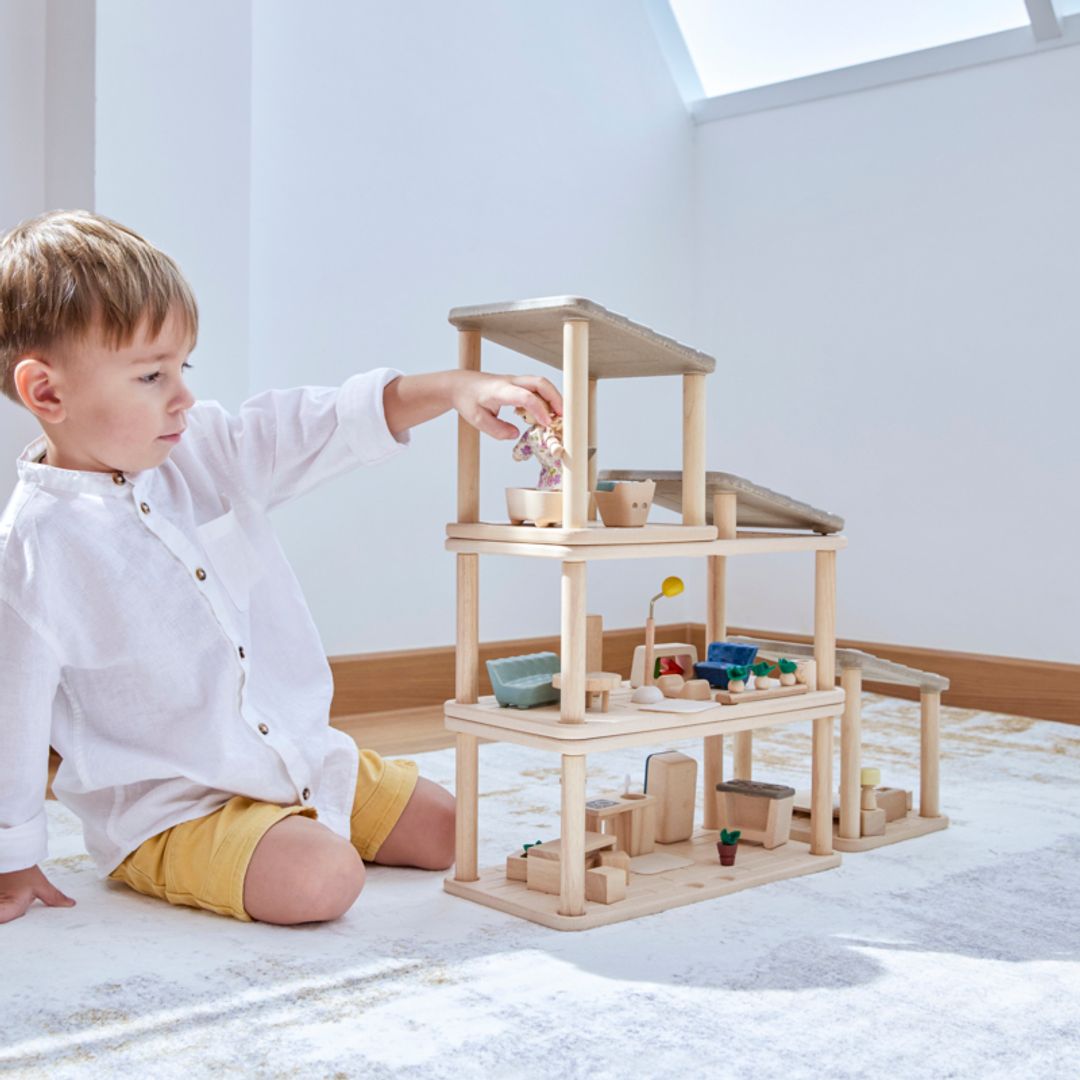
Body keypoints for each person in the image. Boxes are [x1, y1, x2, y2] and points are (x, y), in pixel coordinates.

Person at [0, 209, 562, 925]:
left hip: (296, 754)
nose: (183, 397)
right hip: (173, 806)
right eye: (150, 375)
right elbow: (10, 712)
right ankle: (240, 850)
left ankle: (300, 814)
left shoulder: (206, 447)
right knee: (322, 881)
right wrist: (12, 858)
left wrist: (453, 388)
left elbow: (321, 422)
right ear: (47, 393)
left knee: (450, 830)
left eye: (182, 368)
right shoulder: (34, 545)